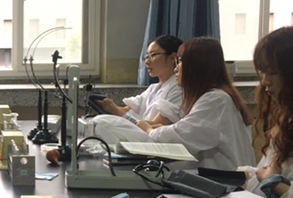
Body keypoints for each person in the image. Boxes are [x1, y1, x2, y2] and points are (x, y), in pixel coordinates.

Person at [92, 37, 254, 170]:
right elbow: (183, 130)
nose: (177, 69)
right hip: (216, 178)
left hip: (228, 184)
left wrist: (149, 129)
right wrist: (154, 128)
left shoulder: (216, 100)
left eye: (181, 62)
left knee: (103, 122)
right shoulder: (210, 97)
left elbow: (179, 137)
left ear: (197, 67)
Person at [242, 27, 293, 198]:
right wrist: (248, 174)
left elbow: (271, 176)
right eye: (262, 73)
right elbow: (267, 169)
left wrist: (272, 181)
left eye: (272, 73)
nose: (264, 81)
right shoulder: (286, 117)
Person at [96, 34, 183, 123]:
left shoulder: (178, 90)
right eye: (146, 57)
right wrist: (107, 106)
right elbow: (127, 109)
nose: (147, 62)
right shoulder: (153, 89)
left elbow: (155, 126)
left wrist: (116, 111)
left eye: (153, 55)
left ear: (172, 58)